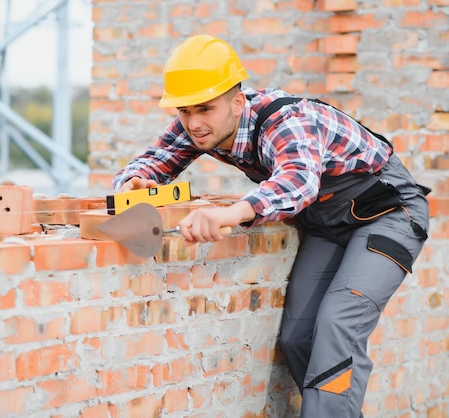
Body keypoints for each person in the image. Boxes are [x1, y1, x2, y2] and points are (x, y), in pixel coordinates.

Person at [112, 34, 430, 417]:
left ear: (236, 101)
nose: (193, 123)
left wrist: (231, 214)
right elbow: (155, 159)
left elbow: (299, 182)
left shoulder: (285, 119)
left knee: (337, 323)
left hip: (388, 212)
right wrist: (133, 182)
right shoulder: (200, 125)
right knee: (299, 335)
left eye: (204, 109)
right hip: (327, 223)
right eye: (184, 111)